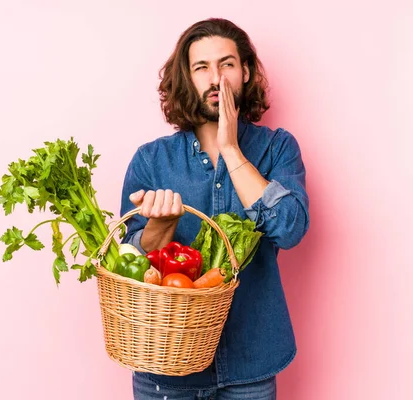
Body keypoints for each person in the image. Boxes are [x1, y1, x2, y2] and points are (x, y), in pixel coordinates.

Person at [120, 17, 309, 400]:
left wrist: (231, 150)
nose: (215, 78)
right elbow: (128, 264)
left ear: (246, 72)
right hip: (166, 372)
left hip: (251, 366)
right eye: (201, 67)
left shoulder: (277, 148)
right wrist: (162, 226)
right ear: (186, 78)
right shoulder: (151, 161)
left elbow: (291, 229)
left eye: (226, 64)